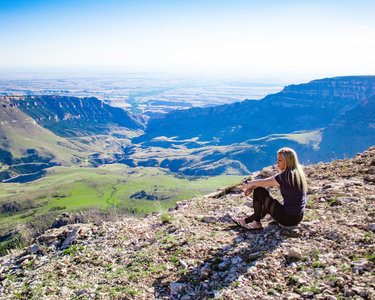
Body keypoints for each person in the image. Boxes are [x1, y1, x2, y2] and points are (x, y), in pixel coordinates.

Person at [232, 147, 307, 230]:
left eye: (280, 160)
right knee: (262, 194)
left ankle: (253, 222)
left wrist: (247, 184)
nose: (277, 163)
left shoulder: (286, 176)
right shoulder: (294, 173)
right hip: (297, 217)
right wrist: (252, 187)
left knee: (259, 191)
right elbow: (268, 181)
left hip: (288, 219)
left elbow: (263, 182)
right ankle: (250, 221)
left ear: (287, 161)